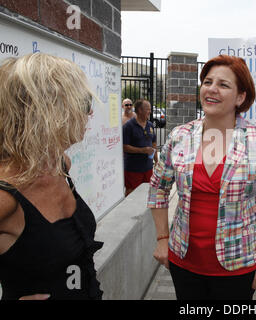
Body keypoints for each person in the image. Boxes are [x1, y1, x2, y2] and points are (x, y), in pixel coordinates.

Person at [148, 55, 256, 300]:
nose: (212, 89)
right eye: (207, 82)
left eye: (223, 85)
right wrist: (162, 238)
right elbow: (158, 190)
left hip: (239, 264)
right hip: (184, 262)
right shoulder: (180, 136)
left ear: (240, 97)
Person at [0, 53, 103, 300]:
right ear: (45, 110)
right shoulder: (5, 196)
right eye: (82, 102)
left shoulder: (61, 163)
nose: (89, 112)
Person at [122, 99, 158, 196]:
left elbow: (154, 143)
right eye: (148, 109)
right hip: (133, 168)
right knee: (131, 192)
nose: (150, 111)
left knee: (146, 192)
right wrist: (142, 150)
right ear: (139, 110)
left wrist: (157, 161)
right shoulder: (128, 126)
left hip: (148, 167)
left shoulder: (150, 125)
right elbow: (124, 147)